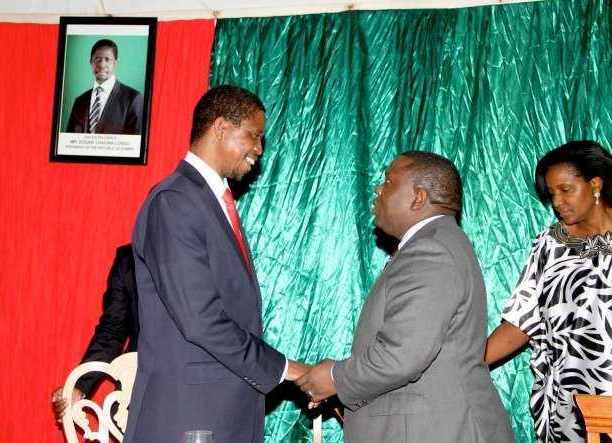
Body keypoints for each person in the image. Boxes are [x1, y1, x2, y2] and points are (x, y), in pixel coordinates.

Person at [124, 85, 309, 443]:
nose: (259, 148)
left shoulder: (208, 200)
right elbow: (201, 320)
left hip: (221, 413)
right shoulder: (175, 202)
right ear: (222, 128)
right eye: (253, 135)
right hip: (187, 418)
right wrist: (287, 370)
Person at [296, 151, 513, 443]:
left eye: (388, 181)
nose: (378, 188)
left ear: (418, 198)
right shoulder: (435, 245)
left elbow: (401, 354)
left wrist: (335, 379)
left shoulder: (431, 252)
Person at [485, 140, 612, 443]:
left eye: (566, 190)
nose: (557, 202)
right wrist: (466, 361)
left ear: (595, 184)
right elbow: (521, 322)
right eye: (552, 193)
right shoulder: (550, 244)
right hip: (571, 403)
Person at [51, 244, 139, 423]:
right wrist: (79, 386)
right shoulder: (129, 258)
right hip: (137, 396)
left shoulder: (205, 247)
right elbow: (112, 332)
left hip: (198, 389)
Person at [66, 39, 143, 135]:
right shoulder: (79, 101)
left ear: (115, 63)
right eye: (97, 59)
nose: (102, 65)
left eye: (107, 59)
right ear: (91, 62)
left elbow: (134, 145)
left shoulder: (133, 98)